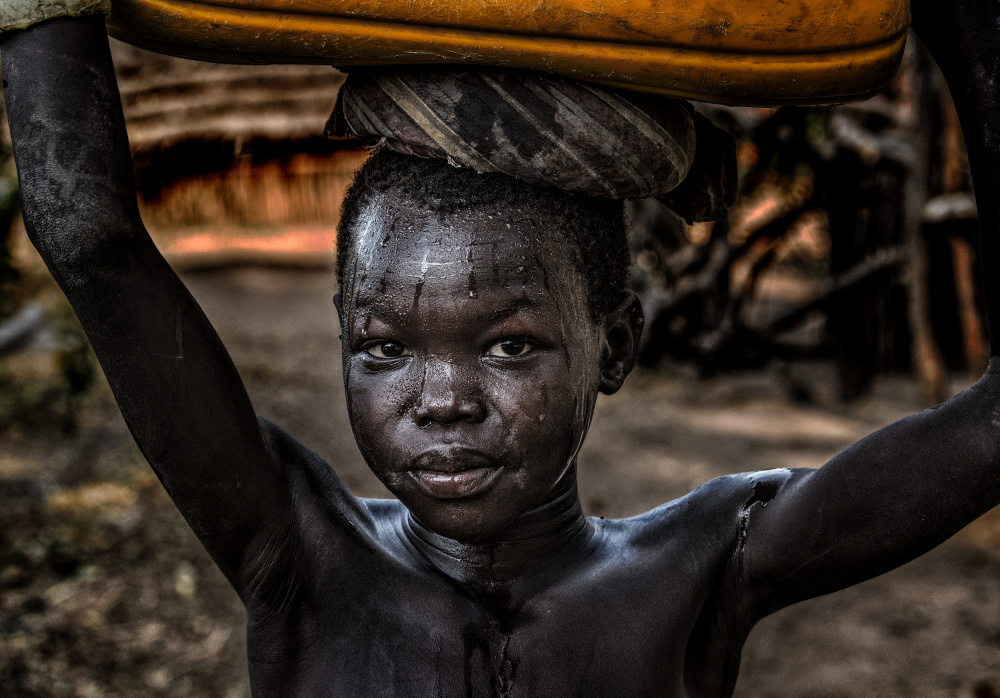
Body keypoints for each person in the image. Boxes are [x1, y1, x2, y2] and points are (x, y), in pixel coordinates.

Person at [2, 0, 999, 695]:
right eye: (385, 348)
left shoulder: (705, 561)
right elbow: (93, 240)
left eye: (510, 346)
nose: (441, 399)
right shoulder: (300, 553)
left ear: (615, 345)